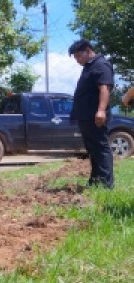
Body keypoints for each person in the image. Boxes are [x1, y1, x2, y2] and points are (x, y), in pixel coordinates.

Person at [69, 39, 115, 189]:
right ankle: (95, 180)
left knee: (101, 149)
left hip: (96, 117)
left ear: (88, 51)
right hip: (86, 117)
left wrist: (101, 110)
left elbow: (104, 88)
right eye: (75, 57)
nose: (77, 60)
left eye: (78, 56)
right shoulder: (89, 66)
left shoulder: (101, 65)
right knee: (92, 149)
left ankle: (107, 185)